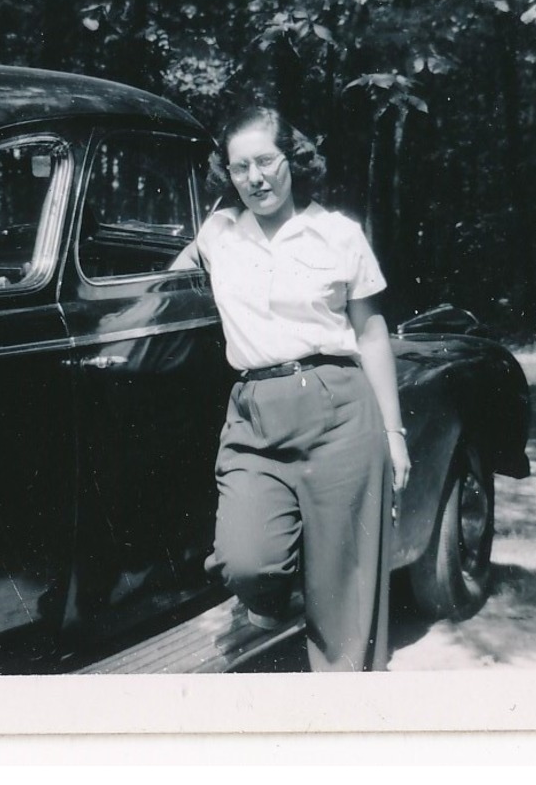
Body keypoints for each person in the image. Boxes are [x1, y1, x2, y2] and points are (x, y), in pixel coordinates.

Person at [172, 106, 410, 672]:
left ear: (293, 161)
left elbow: (370, 331)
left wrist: (394, 432)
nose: (254, 178)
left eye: (265, 161)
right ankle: (273, 606)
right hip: (254, 411)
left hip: (339, 407)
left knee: (346, 600)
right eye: (239, 168)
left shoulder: (337, 234)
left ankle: (340, 726)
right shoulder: (217, 234)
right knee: (246, 560)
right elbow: (173, 276)